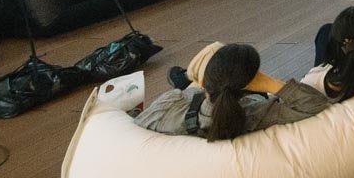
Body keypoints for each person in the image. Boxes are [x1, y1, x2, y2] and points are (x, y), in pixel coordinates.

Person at [137, 42, 331, 139]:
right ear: (250, 83)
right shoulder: (255, 113)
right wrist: (268, 83)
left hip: (193, 101)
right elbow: (316, 104)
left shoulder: (171, 102)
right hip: (228, 96)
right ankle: (186, 77)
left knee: (216, 50)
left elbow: (136, 128)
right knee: (218, 48)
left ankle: (188, 77)